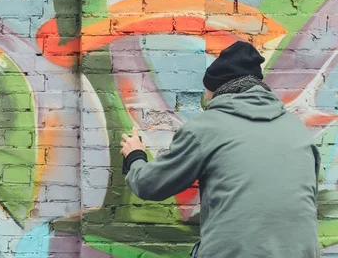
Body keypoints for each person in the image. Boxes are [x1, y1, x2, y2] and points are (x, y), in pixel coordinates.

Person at [120, 41, 320, 258]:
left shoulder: (206, 127)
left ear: (215, 89)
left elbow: (149, 184)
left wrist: (135, 155)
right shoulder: (296, 129)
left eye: (205, 92)